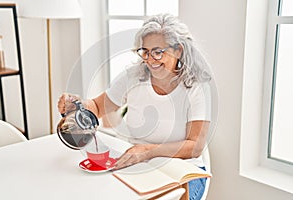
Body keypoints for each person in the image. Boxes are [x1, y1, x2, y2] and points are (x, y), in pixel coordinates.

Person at [58, 13, 212, 200]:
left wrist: (147, 151)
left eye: (158, 52)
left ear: (178, 50)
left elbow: (195, 146)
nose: (150, 59)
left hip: (183, 170)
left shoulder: (196, 87)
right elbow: (97, 107)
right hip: (139, 166)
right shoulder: (133, 77)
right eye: (145, 51)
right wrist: (76, 104)